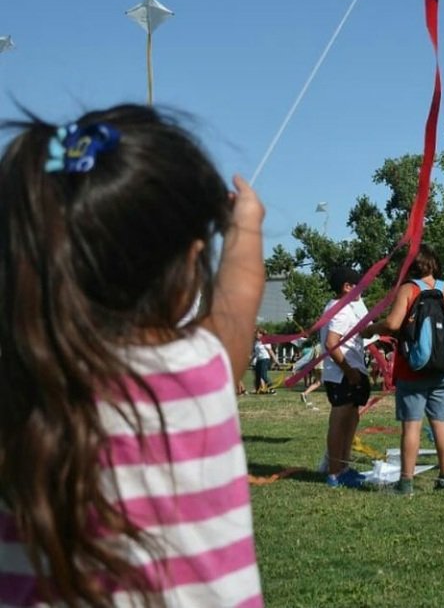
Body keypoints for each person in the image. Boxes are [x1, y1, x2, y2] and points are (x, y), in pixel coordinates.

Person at [0, 105, 265, 606]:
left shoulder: (19, 384)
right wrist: (245, 223)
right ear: (190, 263)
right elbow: (240, 292)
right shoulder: (201, 370)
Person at [367, 245, 444, 496]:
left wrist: (371, 329)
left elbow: (392, 324)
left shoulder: (409, 289)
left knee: (412, 426)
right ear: (435, 265)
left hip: (412, 369)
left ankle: (406, 483)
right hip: (443, 369)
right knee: (441, 423)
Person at [320, 266, 371, 488]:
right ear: (347, 287)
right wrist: (349, 371)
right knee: (340, 422)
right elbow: (331, 343)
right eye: (358, 284)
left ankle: (343, 467)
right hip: (342, 375)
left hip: (349, 373)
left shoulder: (342, 308)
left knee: (351, 420)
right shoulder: (340, 310)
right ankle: (334, 473)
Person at [252, 327, 279, 394]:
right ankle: (258, 390)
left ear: (261, 334)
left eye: (257, 333)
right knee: (257, 376)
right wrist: (249, 361)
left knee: (263, 376)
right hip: (259, 360)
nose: (256, 335)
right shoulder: (256, 342)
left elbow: (270, 351)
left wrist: (275, 360)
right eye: (255, 334)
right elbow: (255, 353)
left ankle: (272, 388)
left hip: (265, 359)